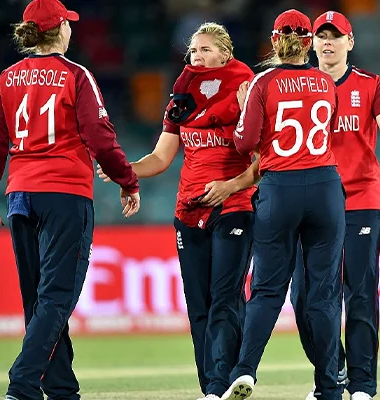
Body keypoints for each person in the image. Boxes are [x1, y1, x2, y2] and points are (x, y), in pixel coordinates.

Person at [0, 1, 140, 399]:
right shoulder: (76, 75)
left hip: (20, 197)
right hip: (65, 194)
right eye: (68, 23)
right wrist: (126, 179)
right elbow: (99, 135)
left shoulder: (8, 77)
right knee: (57, 296)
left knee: (39, 299)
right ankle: (22, 383)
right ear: (60, 31)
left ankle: (62, 389)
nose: (72, 29)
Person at [97, 22, 256, 400]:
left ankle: (223, 382)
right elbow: (161, 157)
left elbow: (261, 158)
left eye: (204, 49)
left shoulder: (247, 89)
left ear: (225, 53)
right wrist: (125, 170)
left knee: (225, 298)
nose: (197, 56)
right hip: (189, 211)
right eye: (193, 51)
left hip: (234, 204)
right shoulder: (181, 97)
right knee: (199, 306)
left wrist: (231, 186)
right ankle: (213, 389)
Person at [285, 11, 380, 400]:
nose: (327, 43)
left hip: (360, 198)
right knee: (304, 297)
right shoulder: (295, 85)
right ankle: (333, 372)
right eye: (321, 36)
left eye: (335, 36)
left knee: (359, 293)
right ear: (311, 43)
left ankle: (362, 385)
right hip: (310, 202)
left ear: (350, 42)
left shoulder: (369, 84)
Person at [221, 9, 345, 400]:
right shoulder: (326, 82)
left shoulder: (262, 83)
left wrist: (244, 109)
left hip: (280, 187)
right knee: (323, 295)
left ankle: (245, 370)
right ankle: (329, 387)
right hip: (325, 187)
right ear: (309, 43)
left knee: (268, 291)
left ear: (275, 41)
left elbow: (244, 143)